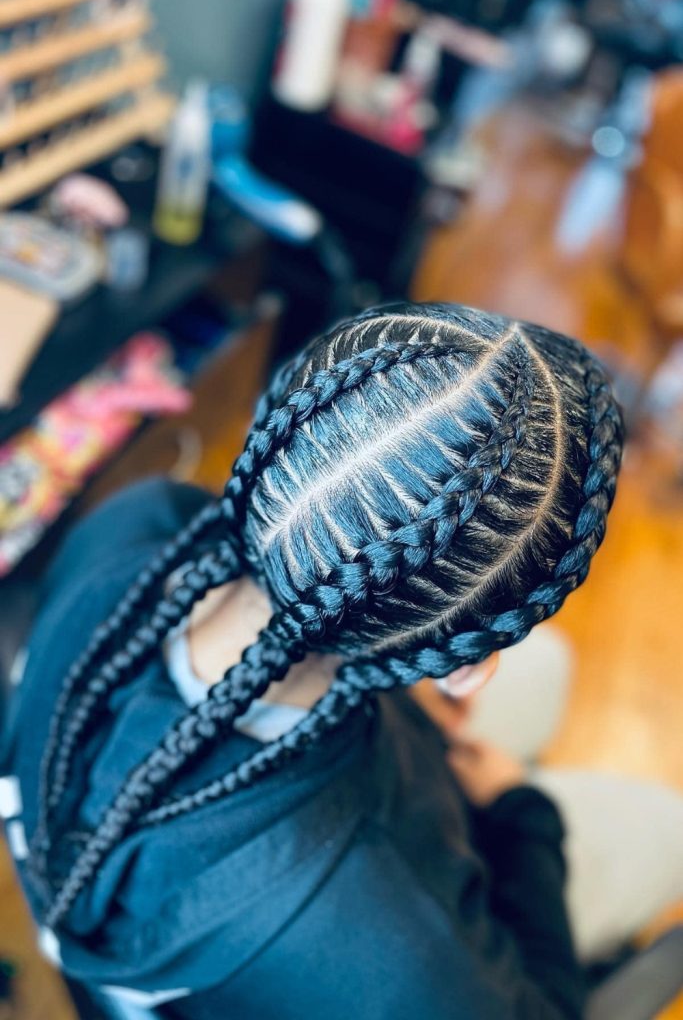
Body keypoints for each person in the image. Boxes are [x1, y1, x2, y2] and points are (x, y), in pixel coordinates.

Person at [3, 302, 625, 1019]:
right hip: (370, 903)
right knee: (663, 828)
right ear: (466, 668)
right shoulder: (402, 940)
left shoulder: (140, 519)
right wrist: (524, 815)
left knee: (547, 671)